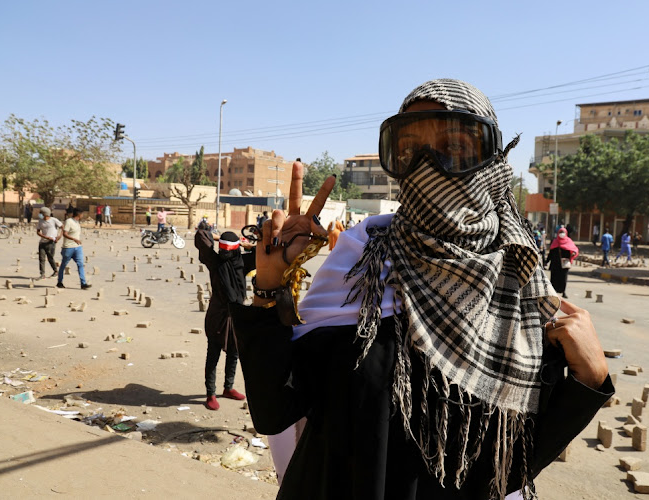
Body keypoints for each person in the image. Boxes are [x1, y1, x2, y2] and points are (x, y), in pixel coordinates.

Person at [231, 79, 611, 500]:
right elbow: (275, 409)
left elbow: (509, 468)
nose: (429, 164)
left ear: (491, 159)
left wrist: (590, 380)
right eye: (410, 150)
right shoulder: (360, 259)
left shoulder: (519, 283)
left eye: (456, 147)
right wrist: (268, 286)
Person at [195, 229, 255, 410]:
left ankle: (228, 388)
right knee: (213, 354)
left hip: (236, 314)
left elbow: (201, 236)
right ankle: (210, 394)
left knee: (234, 352)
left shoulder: (241, 262)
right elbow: (200, 233)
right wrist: (246, 245)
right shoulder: (216, 262)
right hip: (218, 315)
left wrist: (220, 239)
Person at [57, 208, 91, 290]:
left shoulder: (77, 222)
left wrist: (77, 241)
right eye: (82, 214)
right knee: (64, 265)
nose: (82, 215)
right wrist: (74, 239)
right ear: (78, 214)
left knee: (80, 264)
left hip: (77, 248)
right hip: (68, 247)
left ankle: (83, 283)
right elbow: (65, 234)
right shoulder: (69, 221)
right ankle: (59, 282)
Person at [545, 227, 579, 299]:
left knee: (563, 278)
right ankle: (553, 292)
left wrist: (573, 254)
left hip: (564, 263)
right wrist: (546, 261)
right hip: (555, 263)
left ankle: (563, 292)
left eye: (563, 232)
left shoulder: (569, 241)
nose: (561, 234)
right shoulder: (555, 241)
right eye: (560, 232)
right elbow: (551, 253)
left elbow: (574, 249)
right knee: (554, 278)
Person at [36, 207, 62, 279]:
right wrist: (45, 237)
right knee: (41, 258)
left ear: (45, 214)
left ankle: (55, 271)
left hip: (51, 242)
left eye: (41, 213)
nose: (39, 214)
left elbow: (62, 227)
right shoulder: (40, 221)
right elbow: (38, 232)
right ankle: (42, 274)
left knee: (50, 257)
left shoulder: (53, 220)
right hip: (42, 242)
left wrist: (59, 236)